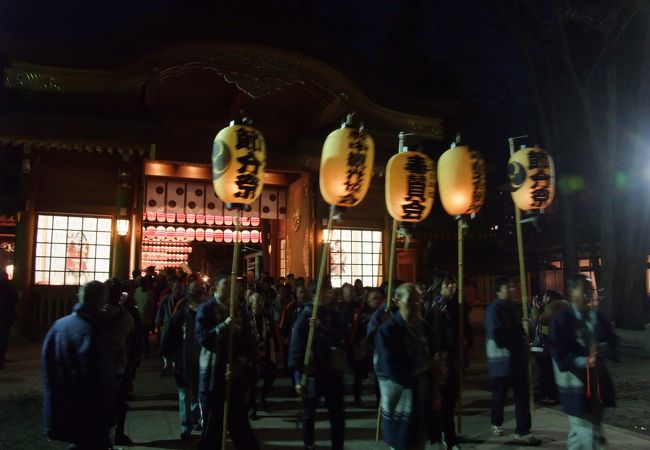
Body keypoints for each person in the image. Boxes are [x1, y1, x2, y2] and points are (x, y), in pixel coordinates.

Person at [41, 281, 116, 449]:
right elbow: (101, 376)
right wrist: (109, 413)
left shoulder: (59, 326)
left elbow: (47, 367)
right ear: (102, 300)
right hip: (89, 409)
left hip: (62, 403)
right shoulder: (93, 330)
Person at [549, 274, 617, 449]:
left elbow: (613, 339)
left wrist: (603, 348)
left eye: (589, 288)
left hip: (598, 384)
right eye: (583, 288)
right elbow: (560, 353)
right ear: (571, 292)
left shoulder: (598, 316)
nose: (588, 292)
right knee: (591, 434)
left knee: (581, 434)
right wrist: (585, 360)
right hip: (575, 385)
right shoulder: (561, 319)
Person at [195, 274, 259, 450]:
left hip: (235, 375)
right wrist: (224, 325)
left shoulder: (238, 310)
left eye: (233, 284)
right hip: (213, 375)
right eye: (226, 284)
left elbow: (248, 341)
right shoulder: (206, 309)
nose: (231, 287)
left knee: (241, 427)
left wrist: (240, 362)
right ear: (215, 287)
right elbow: (203, 338)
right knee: (212, 430)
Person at [374, 283, 441, 450]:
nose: (416, 305)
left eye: (418, 300)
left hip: (423, 397)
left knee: (420, 443)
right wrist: (420, 369)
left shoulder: (423, 327)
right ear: (397, 301)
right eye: (411, 300)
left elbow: (435, 350)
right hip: (401, 400)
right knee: (402, 444)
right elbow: (389, 367)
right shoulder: (388, 330)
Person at [289, 285, 346, 450]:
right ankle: (309, 443)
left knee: (337, 414)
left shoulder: (332, 313)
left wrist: (323, 328)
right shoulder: (305, 316)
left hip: (333, 371)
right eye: (324, 290)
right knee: (309, 412)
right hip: (313, 372)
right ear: (315, 294)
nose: (328, 293)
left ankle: (338, 445)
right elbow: (296, 348)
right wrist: (298, 378)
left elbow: (342, 336)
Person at [485, 277, 541, 445]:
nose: (512, 289)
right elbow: (498, 335)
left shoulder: (514, 308)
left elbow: (524, 332)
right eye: (508, 286)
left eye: (512, 286)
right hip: (501, 362)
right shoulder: (493, 310)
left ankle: (523, 430)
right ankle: (496, 421)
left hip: (518, 360)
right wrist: (518, 337)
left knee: (522, 396)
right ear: (498, 291)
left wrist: (528, 323)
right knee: (499, 396)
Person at [424, 272, 471, 450]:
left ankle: (443, 432)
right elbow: (434, 333)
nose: (451, 286)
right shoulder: (435, 306)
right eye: (447, 284)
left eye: (453, 283)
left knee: (451, 397)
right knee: (444, 399)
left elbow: (465, 327)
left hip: (455, 357)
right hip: (443, 359)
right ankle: (447, 436)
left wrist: (466, 338)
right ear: (439, 286)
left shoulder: (455, 306)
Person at [162, 281, 206, 440]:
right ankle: (187, 424)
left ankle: (192, 420)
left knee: (194, 392)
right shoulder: (182, 314)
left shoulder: (205, 312)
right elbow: (170, 336)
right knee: (186, 392)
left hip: (200, 358)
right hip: (184, 358)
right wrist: (168, 357)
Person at [103, 279, 135, 446]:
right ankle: (118, 433)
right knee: (119, 402)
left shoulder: (96, 314)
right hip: (118, 363)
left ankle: (101, 434)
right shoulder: (126, 316)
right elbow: (130, 335)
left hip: (98, 365)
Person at [247, 292, 279, 419]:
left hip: (266, 352)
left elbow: (273, 333)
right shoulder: (247, 317)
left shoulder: (267, 317)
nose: (260, 304)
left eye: (261, 301)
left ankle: (263, 397)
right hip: (252, 354)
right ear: (251, 303)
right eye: (256, 301)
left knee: (270, 376)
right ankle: (252, 407)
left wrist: (277, 347)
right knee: (251, 383)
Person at [530, 289, 565, 405]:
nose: (543, 299)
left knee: (547, 371)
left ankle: (551, 396)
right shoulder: (561, 306)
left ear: (550, 298)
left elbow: (539, 321)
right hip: (555, 343)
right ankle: (551, 394)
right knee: (549, 371)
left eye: (544, 297)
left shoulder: (553, 307)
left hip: (549, 345)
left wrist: (535, 307)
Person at [349, 287, 383, 406]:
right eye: (374, 298)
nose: (376, 301)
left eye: (379, 299)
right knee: (359, 375)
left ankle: (379, 401)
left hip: (376, 348)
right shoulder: (361, 312)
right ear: (368, 299)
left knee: (378, 376)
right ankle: (357, 398)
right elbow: (355, 329)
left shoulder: (383, 313)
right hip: (362, 347)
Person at [0, 268, 18, 369]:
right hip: (5, 315)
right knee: (3, 337)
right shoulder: (9, 287)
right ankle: (1, 359)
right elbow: (15, 298)